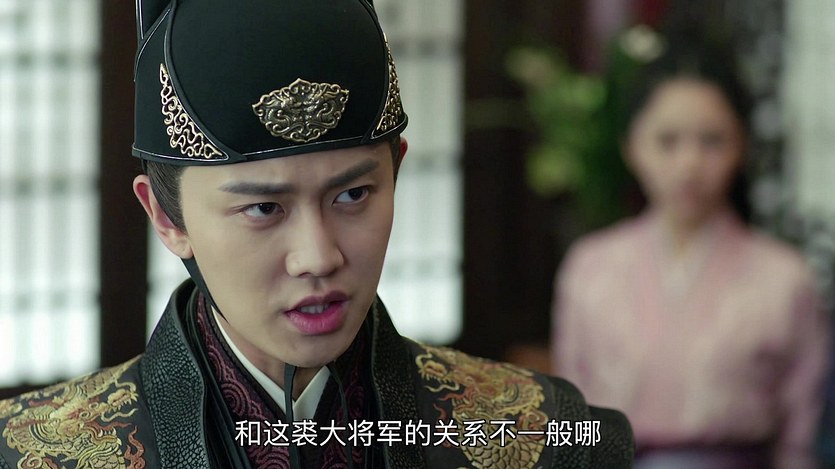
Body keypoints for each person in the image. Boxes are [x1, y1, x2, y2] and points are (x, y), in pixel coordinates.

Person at [0, 1, 633, 468]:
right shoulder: (34, 453)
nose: (319, 257)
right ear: (167, 218)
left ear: (397, 172)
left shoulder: (545, 435)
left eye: (353, 195)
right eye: (263, 209)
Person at [551, 36, 830, 468]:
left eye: (712, 141)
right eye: (667, 141)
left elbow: (801, 438)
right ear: (631, 147)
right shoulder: (590, 267)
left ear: (740, 146)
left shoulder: (785, 276)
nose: (689, 164)